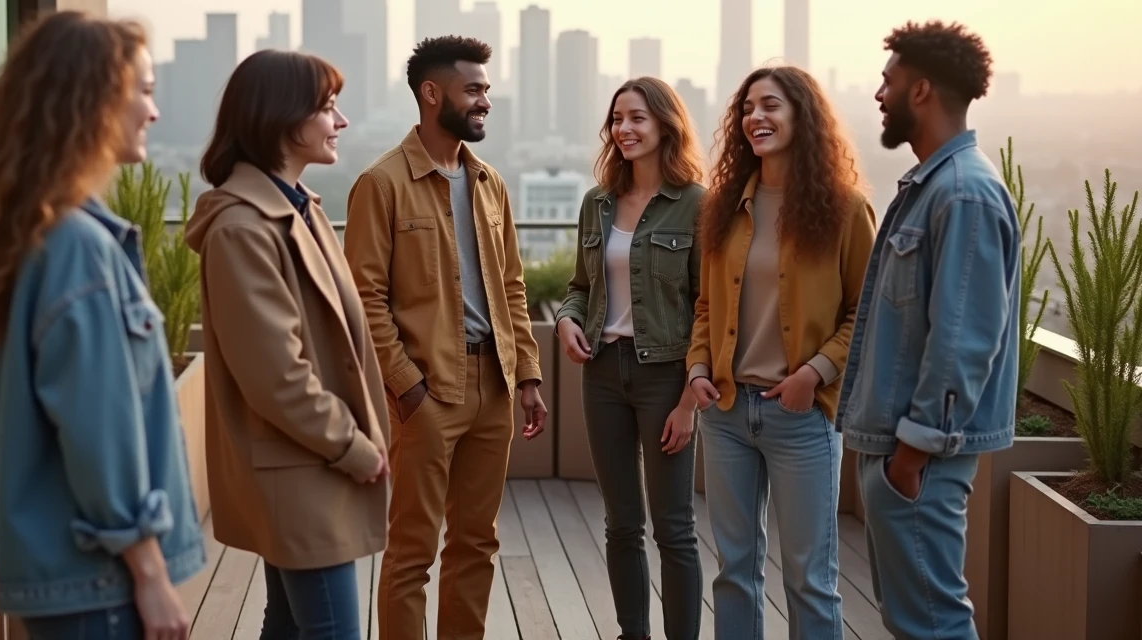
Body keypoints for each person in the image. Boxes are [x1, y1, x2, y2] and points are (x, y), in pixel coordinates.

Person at [0, 10, 204, 638]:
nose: (154, 111)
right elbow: (98, 430)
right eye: (143, 91)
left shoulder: (35, 238)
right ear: (90, 102)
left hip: (71, 585)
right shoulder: (78, 249)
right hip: (103, 586)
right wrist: (148, 571)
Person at [344, 35, 547, 640]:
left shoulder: (490, 184)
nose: (486, 100)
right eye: (474, 89)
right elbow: (365, 300)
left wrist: (528, 374)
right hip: (427, 392)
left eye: (487, 89)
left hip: (495, 385)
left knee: (477, 544)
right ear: (432, 94)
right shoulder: (380, 185)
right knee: (411, 552)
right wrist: (408, 390)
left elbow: (510, 286)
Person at [185, 50, 390, 639]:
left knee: (290, 626)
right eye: (327, 107)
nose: (341, 121)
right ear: (281, 118)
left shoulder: (297, 210)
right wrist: (353, 446)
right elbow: (276, 373)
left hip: (304, 465)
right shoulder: (244, 227)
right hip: (304, 467)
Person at [835, 21, 1019, 640]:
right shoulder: (932, 187)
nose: (879, 95)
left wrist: (911, 457)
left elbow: (964, 342)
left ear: (921, 91)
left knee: (933, 625)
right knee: (914, 621)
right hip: (899, 452)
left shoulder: (964, 194)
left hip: (918, 459)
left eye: (887, 82)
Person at [687, 66, 876, 640]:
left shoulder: (844, 209)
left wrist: (814, 374)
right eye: (747, 108)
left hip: (802, 416)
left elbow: (866, 315)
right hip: (725, 413)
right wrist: (698, 367)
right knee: (734, 570)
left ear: (803, 116)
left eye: (770, 105)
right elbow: (705, 306)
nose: (755, 118)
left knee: (809, 577)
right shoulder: (722, 208)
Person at [555, 77, 705, 640]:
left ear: (666, 124)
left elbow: (707, 307)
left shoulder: (696, 204)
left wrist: (690, 399)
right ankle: (632, 634)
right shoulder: (597, 203)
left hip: (665, 376)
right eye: (618, 119)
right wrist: (569, 318)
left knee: (674, 527)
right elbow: (579, 285)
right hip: (602, 374)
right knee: (621, 524)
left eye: (638, 118)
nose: (625, 129)